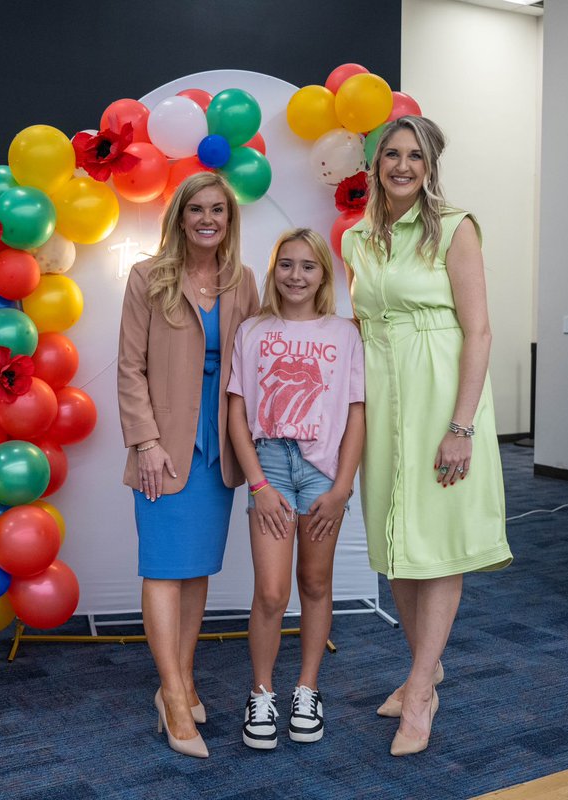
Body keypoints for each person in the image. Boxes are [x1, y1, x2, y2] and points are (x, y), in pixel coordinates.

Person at [341, 116, 512, 757]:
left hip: (443, 398)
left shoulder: (456, 228)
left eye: (415, 155)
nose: (403, 165)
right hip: (385, 402)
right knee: (397, 539)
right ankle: (425, 666)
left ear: (431, 165)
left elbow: (480, 332)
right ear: (374, 164)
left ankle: (419, 690)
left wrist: (461, 426)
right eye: (392, 154)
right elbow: (357, 328)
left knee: (435, 540)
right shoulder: (357, 239)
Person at [117, 172, 260, 759]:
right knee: (163, 567)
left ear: (230, 220)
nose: (208, 219)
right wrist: (145, 442)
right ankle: (173, 697)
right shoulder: (147, 277)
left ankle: (184, 676)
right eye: (196, 209)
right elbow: (129, 367)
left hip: (219, 444)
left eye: (218, 211)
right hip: (165, 445)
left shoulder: (243, 281)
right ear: (179, 216)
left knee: (197, 567)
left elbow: (253, 364)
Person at [227, 229, 365, 750]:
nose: (296, 276)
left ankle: (307, 689)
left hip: (322, 470)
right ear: (273, 270)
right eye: (286, 264)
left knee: (314, 582)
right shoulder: (253, 330)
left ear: (323, 276)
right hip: (271, 464)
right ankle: (261, 692)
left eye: (308, 266)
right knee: (270, 591)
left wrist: (342, 487)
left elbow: (356, 413)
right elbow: (237, 410)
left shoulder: (345, 334)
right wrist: (258, 484)